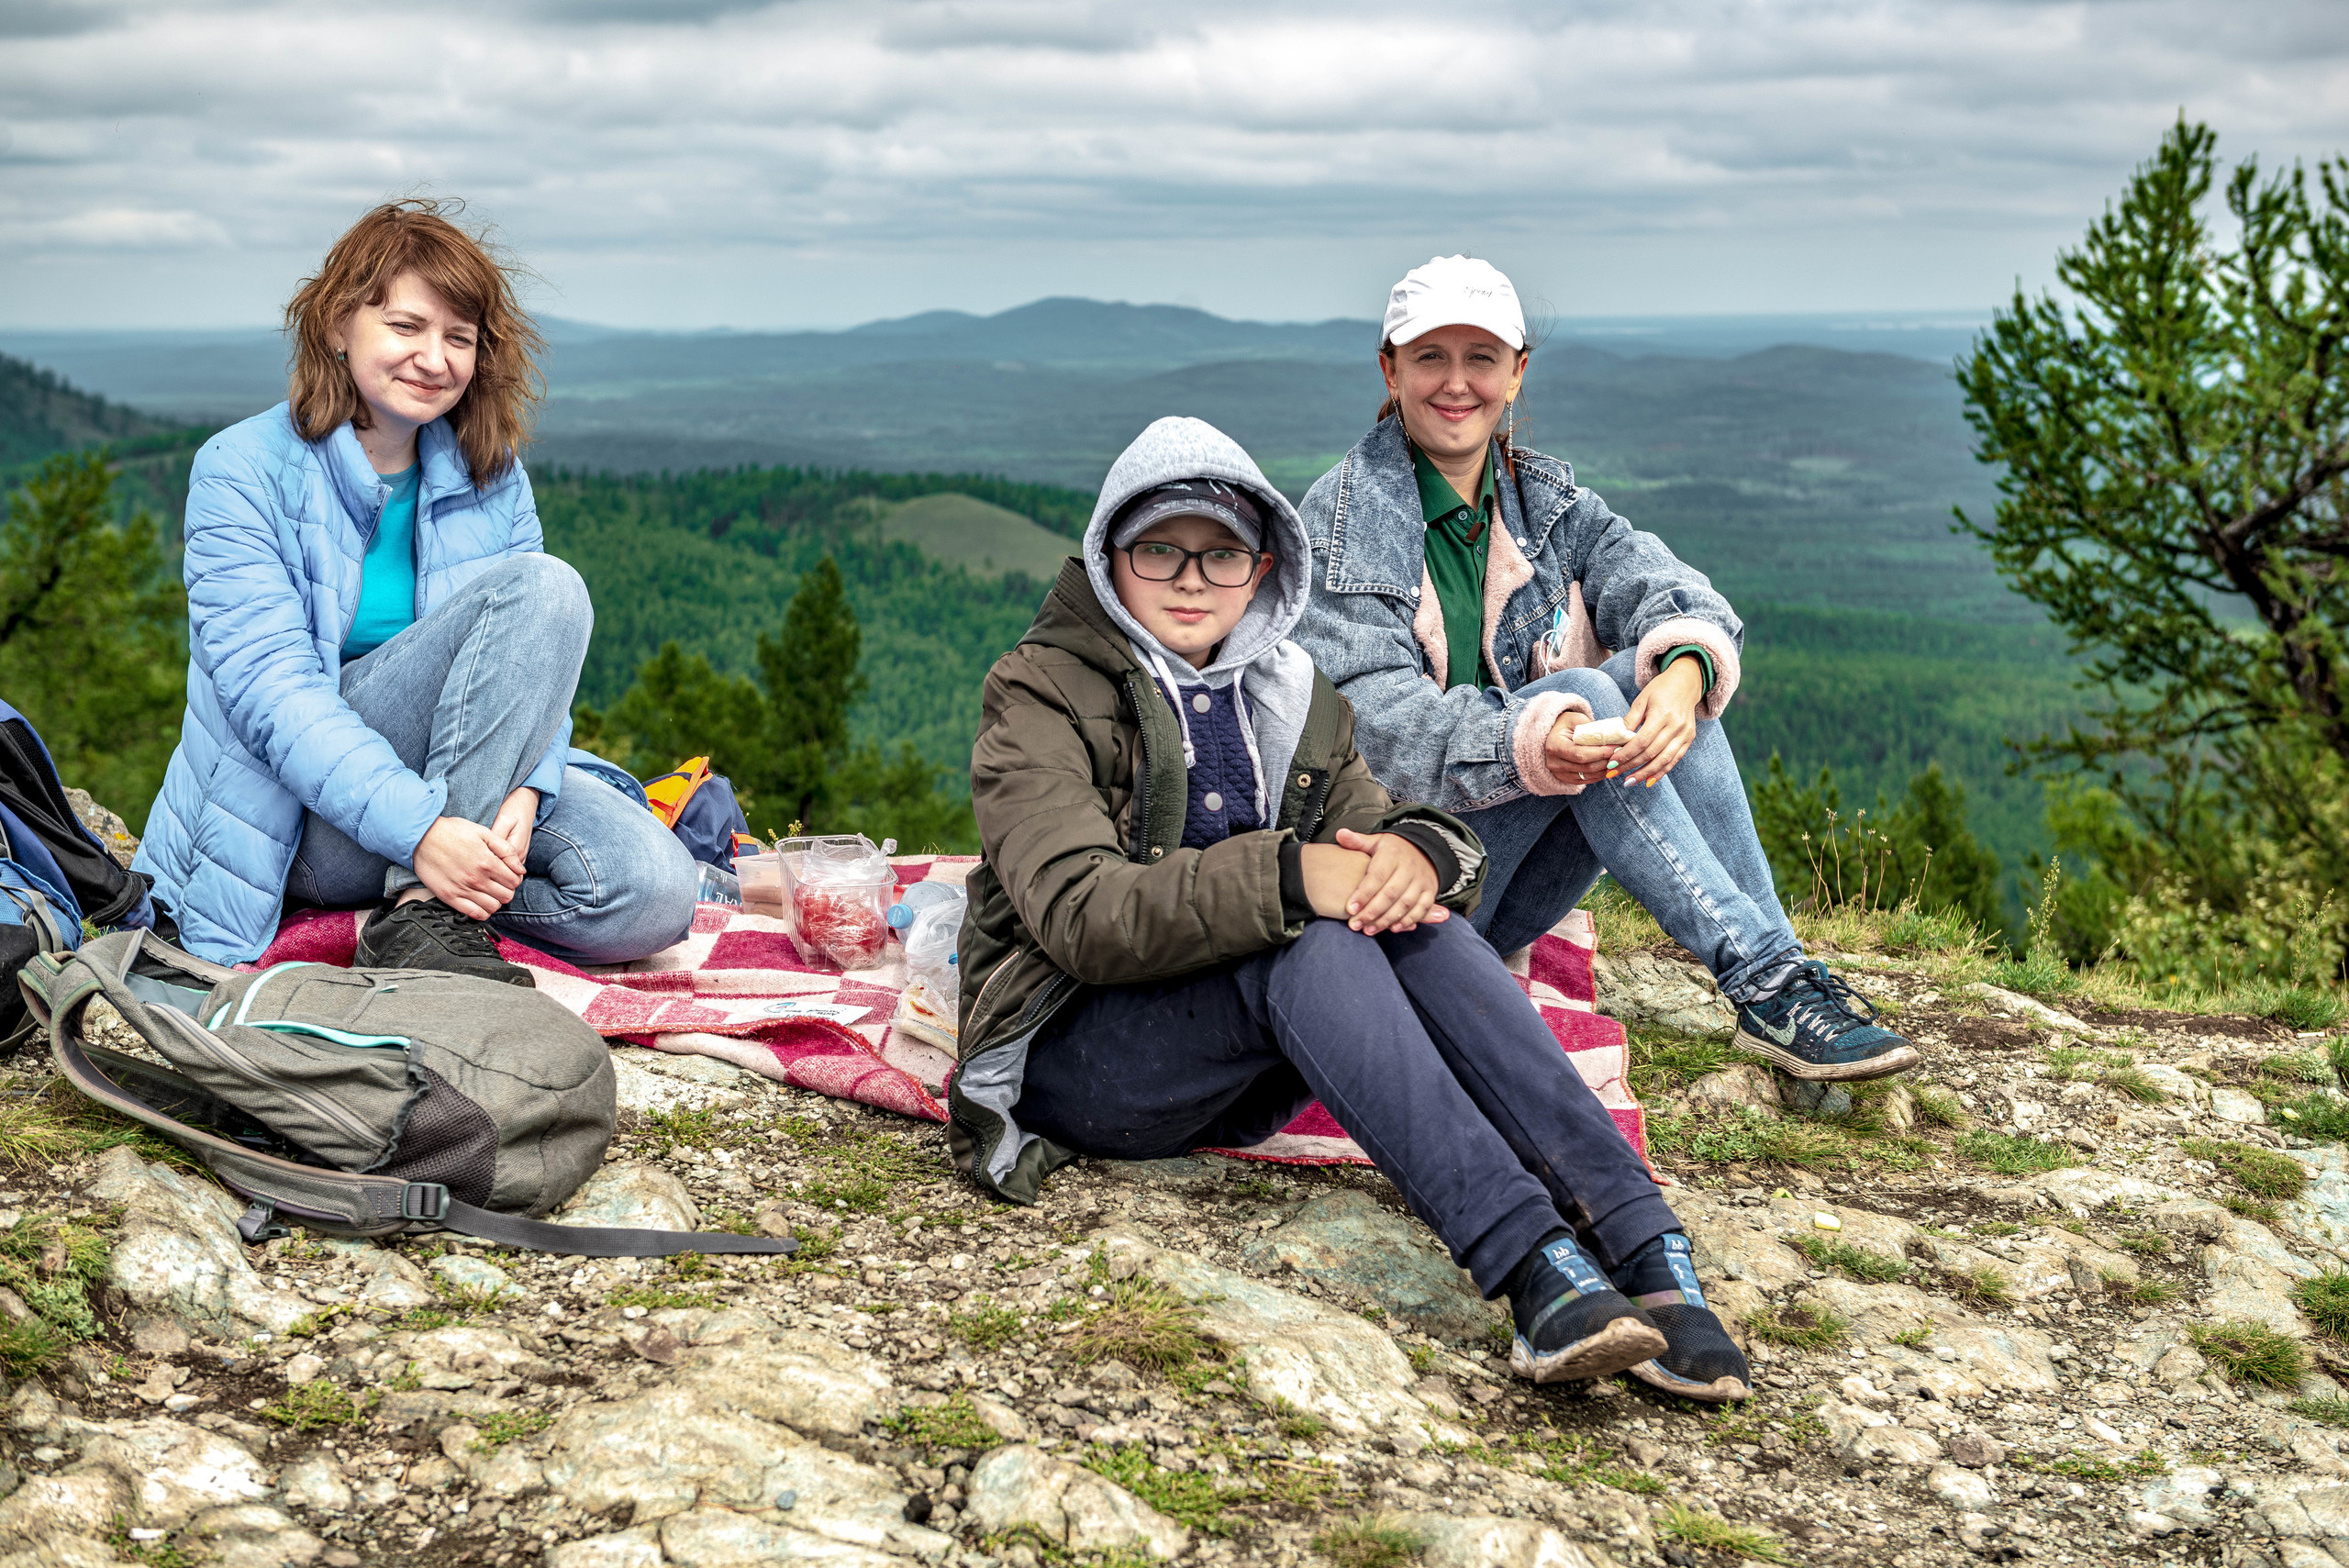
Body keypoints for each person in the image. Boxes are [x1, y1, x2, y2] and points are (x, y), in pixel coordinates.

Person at [948, 415, 1752, 1401]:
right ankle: (1534, 1263)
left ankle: (1641, 1237)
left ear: (1262, 569)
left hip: (1232, 1068)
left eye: (1221, 553)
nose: (1191, 579)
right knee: (1313, 943)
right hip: (1080, 1056)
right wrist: (1294, 875)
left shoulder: (1290, 689)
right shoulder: (1039, 691)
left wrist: (1421, 853)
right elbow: (1081, 914)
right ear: (1111, 555)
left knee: (1411, 918)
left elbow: (1377, 826)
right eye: (1159, 549)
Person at [1292, 256, 1920, 1084]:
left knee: (1653, 667)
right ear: (1390, 370)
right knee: (1586, 692)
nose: (1457, 383)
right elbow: (1382, 726)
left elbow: (1665, 585)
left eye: (1481, 358)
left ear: (1517, 373)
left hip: (1502, 888)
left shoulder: (1544, 504)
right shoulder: (1343, 523)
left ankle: (1781, 976)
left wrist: (1684, 672)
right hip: (1398, 884)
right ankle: (1768, 981)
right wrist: (1533, 737)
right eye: (1430, 357)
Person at [134, 200, 696, 980]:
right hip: (299, 820)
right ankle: (427, 909)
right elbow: (273, 698)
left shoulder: (493, 478)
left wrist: (528, 789)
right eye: (406, 327)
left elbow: (532, 670)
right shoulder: (241, 469)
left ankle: (422, 908)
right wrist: (425, 832)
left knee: (653, 893)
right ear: (338, 324)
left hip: (450, 786)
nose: (435, 359)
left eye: (459, 338)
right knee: (548, 589)